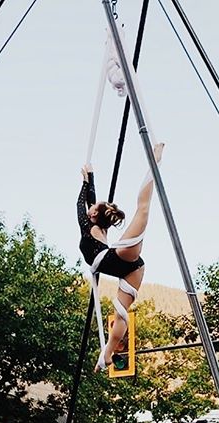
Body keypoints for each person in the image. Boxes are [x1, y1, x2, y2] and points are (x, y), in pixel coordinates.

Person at [78, 142, 165, 371]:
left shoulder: (91, 228)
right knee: (121, 316)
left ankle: (155, 160)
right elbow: (89, 201)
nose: (90, 206)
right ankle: (106, 354)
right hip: (131, 267)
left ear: (94, 214)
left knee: (143, 209)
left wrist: (86, 181)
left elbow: (82, 202)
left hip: (118, 260)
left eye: (94, 206)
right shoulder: (96, 227)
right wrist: (90, 178)